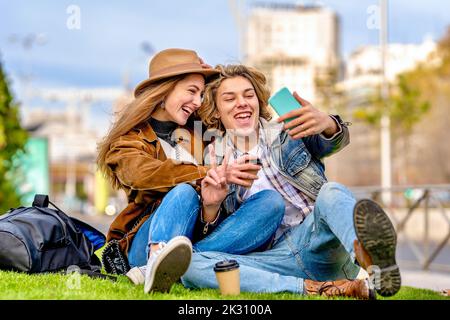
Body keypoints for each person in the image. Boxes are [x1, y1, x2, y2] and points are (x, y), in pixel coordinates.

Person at [180, 64, 401, 299]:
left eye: (248, 95)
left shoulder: (289, 131)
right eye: (229, 98)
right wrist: (211, 207)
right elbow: (228, 235)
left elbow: (334, 141)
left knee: (331, 191)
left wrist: (327, 123)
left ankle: (371, 259)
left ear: (258, 102)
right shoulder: (213, 158)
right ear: (216, 111)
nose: (242, 103)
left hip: (319, 241)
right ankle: (315, 288)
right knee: (191, 266)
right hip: (273, 258)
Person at [97, 49, 284, 294]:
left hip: (199, 235)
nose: (197, 101)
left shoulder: (199, 129)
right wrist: (207, 173)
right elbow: (139, 174)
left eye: (201, 93)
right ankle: (155, 260)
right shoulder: (130, 140)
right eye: (191, 91)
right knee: (184, 192)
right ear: (165, 90)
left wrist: (212, 76)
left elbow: (230, 103)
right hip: (143, 241)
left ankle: (184, 264)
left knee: (271, 202)